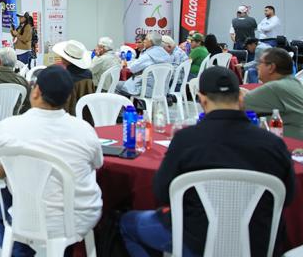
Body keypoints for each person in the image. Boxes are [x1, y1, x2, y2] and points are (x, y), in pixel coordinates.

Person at [120, 67, 295, 257]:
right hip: (258, 241)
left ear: (202, 99)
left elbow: (162, 192)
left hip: (194, 240)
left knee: (127, 223)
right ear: (240, 97)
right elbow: (287, 197)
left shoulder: (186, 139)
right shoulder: (273, 144)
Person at [0, 65, 103, 257]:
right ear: (68, 97)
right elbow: (97, 164)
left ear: (36, 91)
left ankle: (20, 252)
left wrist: (5, 172)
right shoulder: (85, 130)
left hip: (28, 216)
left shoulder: (9, 127)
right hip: (80, 217)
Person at [244, 48, 303, 139]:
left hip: (291, 146)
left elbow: (239, 103)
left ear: (271, 67)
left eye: (260, 63)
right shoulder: (295, 82)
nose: (257, 66)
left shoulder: (274, 87)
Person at [52, 40, 95, 117]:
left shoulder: (63, 76)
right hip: (87, 113)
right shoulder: (88, 73)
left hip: (67, 114)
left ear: (65, 59)